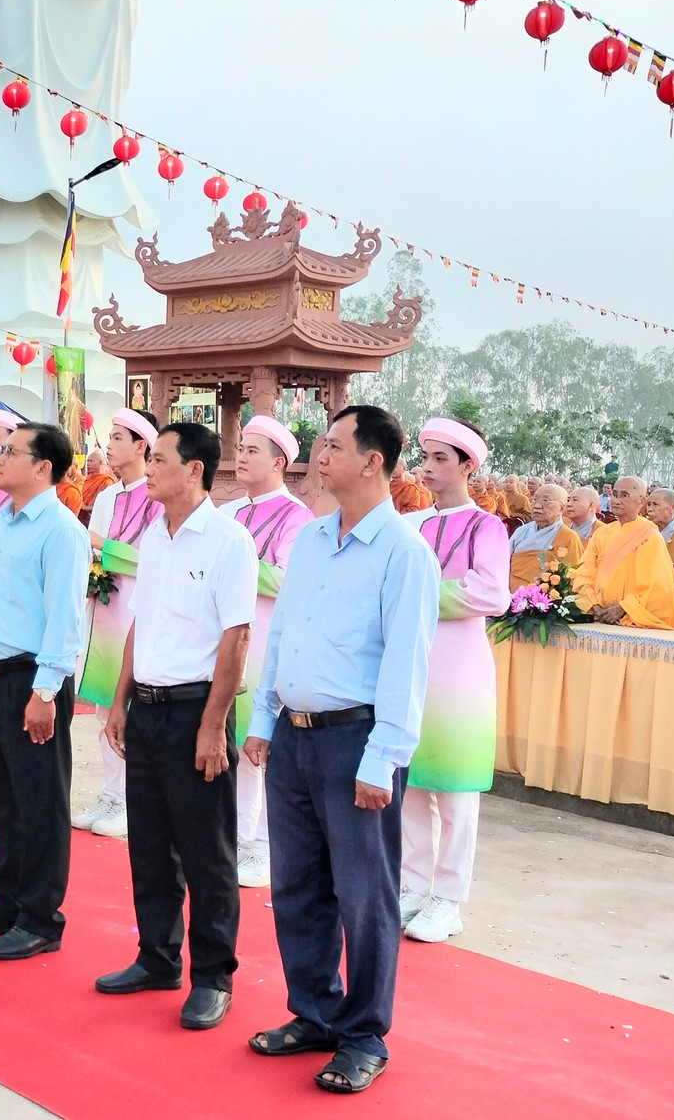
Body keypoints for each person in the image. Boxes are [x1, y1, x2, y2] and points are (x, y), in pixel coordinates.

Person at [243, 405, 437, 1096]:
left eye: (333, 446)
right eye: (320, 444)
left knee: (365, 896)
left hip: (357, 740)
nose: (319, 456)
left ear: (373, 461)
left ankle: (363, 1036)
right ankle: (315, 1011)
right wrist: (264, 717)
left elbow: (406, 663)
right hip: (294, 736)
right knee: (296, 886)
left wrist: (383, 757)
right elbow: (283, 632)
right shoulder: (312, 537)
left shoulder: (404, 552)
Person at [96, 421, 253, 1030]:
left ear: (194, 470)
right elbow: (141, 624)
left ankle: (213, 977)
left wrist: (213, 728)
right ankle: (156, 958)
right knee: (150, 844)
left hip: (196, 712)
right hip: (148, 708)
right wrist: (119, 702)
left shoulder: (228, 541)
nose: (150, 469)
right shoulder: (154, 537)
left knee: (206, 852)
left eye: (160, 459)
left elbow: (236, 638)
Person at [0, 422, 89, 960]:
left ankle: (39, 917)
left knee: (40, 802)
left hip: (35, 678)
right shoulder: (2, 522)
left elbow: (65, 618)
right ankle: (4, 902)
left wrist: (46, 692)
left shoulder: (61, 531)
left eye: (11, 451)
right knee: (3, 796)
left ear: (42, 467)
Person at [400, 418, 510, 945]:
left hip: (459, 668)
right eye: (426, 456)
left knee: (457, 789)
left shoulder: (487, 527)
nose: (428, 466)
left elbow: (490, 593)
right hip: (408, 663)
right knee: (409, 782)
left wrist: (417, 597)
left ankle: (449, 898)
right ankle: (413, 885)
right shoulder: (410, 524)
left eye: (441, 458)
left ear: (469, 465)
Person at [221, 415, 316, 888]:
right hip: (225, 639)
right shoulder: (229, 511)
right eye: (240, 447)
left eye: (252, 450)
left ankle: (260, 845)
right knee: (226, 742)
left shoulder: (297, 516)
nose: (241, 456)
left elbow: (286, 580)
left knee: (255, 744)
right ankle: (234, 838)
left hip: (264, 642)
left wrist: (238, 565)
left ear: (279, 463)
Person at [74, 409, 163, 838]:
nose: (107, 445)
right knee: (104, 709)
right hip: (104, 608)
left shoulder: (158, 494)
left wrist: (103, 548)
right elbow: (93, 552)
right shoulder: (108, 495)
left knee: (128, 709)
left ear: (141, 445)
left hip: (135, 611)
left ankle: (130, 801)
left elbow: (151, 558)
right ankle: (110, 795)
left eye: (116, 438)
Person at [572, 476, 674, 629]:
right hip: (597, 615)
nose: (616, 500)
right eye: (615, 494)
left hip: (631, 620)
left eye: (624, 495)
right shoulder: (602, 534)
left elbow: (657, 588)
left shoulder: (650, 536)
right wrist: (593, 604)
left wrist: (624, 608)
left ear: (642, 501)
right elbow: (583, 573)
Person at [507, 483, 583, 589]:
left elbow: (571, 580)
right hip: (510, 592)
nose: (537, 506)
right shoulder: (521, 531)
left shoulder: (569, 537)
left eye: (546, 501)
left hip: (544, 597)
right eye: (535, 500)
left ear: (561, 509)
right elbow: (504, 563)